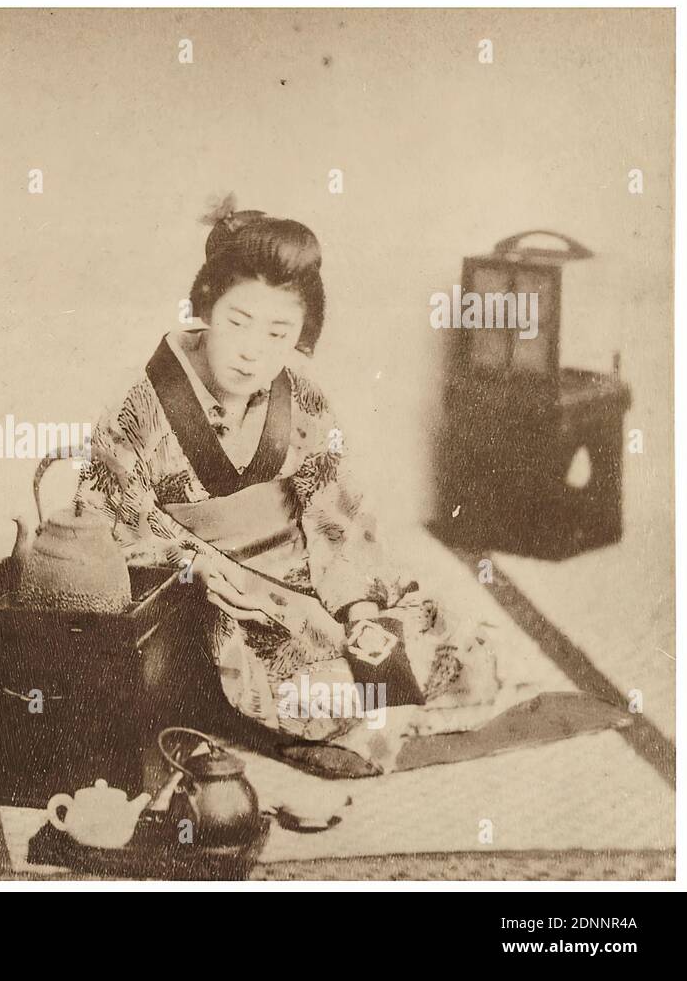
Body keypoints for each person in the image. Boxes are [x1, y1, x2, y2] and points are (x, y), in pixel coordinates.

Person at [74, 199, 513, 774]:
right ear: (205, 305)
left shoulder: (300, 393)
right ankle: (365, 718)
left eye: (279, 331)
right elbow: (113, 522)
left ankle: (373, 712)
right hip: (214, 595)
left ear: (302, 332)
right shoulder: (141, 402)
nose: (253, 349)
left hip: (311, 576)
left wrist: (354, 607)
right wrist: (228, 581)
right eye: (237, 322)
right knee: (313, 677)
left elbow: (335, 507)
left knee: (454, 642)